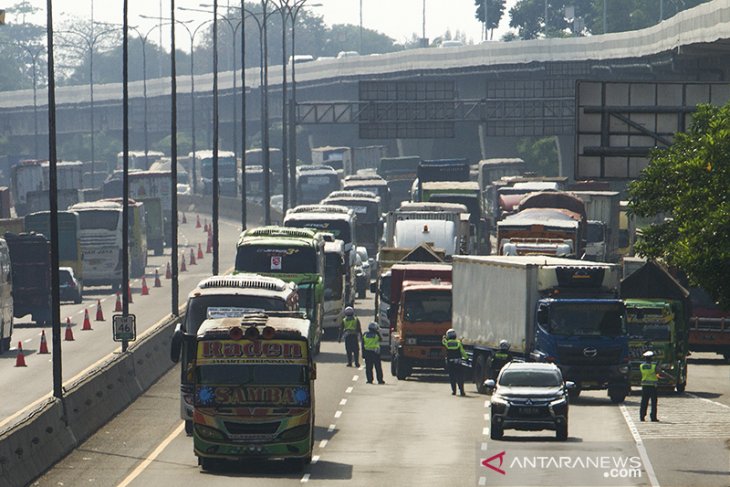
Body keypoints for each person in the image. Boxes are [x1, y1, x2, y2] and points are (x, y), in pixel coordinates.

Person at [443, 328, 468, 396]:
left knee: (452, 377)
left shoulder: (447, 343)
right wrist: (466, 358)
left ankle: (454, 391)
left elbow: (443, 341)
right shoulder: (458, 342)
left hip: (450, 363)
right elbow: (462, 351)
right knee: (460, 377)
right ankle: (462, 391)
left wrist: (444, 337)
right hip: (458, 362)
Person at [639, 350, 660, 422]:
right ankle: (653, 417)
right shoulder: (654, 366)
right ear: (651, 358)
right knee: (653, 402)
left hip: (644, 386)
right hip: (652, 386)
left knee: (644, 402)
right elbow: (659, 372)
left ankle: (642, 416)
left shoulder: (641, 366)